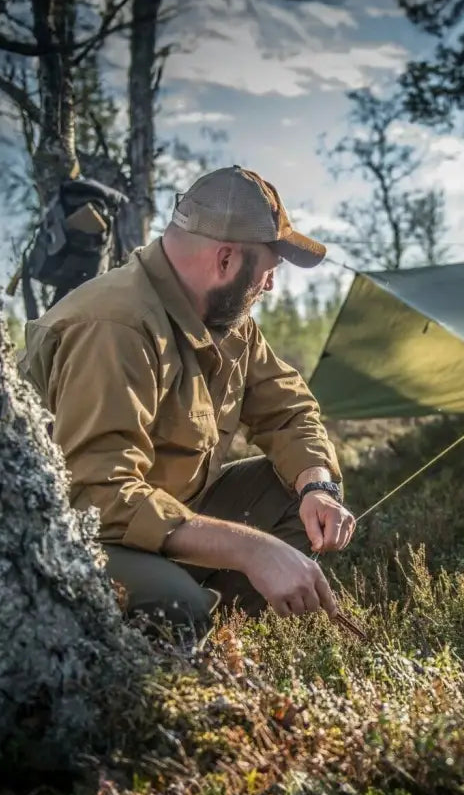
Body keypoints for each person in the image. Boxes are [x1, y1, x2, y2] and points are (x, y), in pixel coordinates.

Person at [21, 164, 356, 641]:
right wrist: (251, 550)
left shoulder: (227, 321)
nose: (269, 287)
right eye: (266, 271)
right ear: (225, 260)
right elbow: (97, 497)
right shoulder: (113, 328)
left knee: (293, 496)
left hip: (163, 520)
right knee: (173, 605)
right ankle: (183, 634)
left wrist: (317, 488)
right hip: (73, 537)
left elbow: (288, 411)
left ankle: (223, 637)